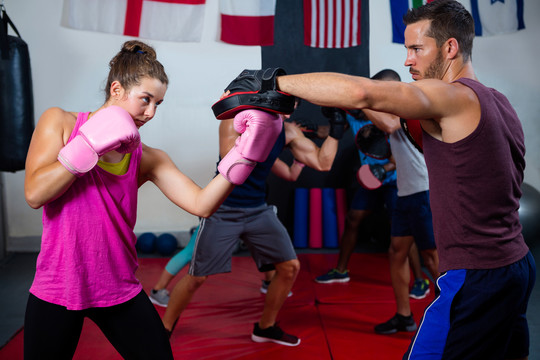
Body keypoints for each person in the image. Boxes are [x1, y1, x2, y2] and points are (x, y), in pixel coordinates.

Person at [228, 1, 536, 358]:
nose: (408, 60)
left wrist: (271, 82)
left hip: (476, 276)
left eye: (417, 49)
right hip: (517, 264)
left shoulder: (452, 95)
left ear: (450, 48)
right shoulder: (498, 101)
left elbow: (364, 92)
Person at [22, 40, 282, 360]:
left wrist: (245, 157)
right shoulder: (60, 123)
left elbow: (201, 203)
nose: (151, 113)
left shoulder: (148, 158)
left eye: (159, 103)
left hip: (117, 287)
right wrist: (88, 144)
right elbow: (35, 194)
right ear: (116, 89)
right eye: (145, 100)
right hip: (57, 287)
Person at [161, 102, 345, 346]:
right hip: (223, 208)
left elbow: (323, 163)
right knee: (197, 277)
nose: (289, 113)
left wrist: (336, 129)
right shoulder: (235, 120)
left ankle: (265, 327)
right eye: (284, 105)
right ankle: (162, 329)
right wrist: (261, 129)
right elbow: (230, 157)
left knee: (289, 267)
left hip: (257, 210)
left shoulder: (288, 131)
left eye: (292, 107)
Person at [149, 109, 307, 307]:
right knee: (190, 254)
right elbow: (229, 157)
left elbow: (291, 174)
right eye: (282, 112)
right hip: (220, 208)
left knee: (262, 249)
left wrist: (300, 159)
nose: (285, 118)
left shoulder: (269, 154)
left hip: (252, 210)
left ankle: (268, 282)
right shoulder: (243, 142)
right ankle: (157, 290)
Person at [361, 69, 440, 335]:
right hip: (406, 193)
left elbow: (390, 125)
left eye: (382, 91)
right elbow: (399, 154)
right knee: (397, 253)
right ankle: (404, 317)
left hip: (424, 192)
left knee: (431, 257)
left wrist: (359, 100)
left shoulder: (408, 109)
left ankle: (456, 316)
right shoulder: (391, 114)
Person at [314, 109, 399, 284]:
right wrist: (306, 129)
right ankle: (340, 270)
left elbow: (402, 154)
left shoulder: (389, 118)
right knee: (353, 219)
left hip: (395, 179)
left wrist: (383, 169)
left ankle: (420, 279)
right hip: (369, 178)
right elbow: (331, 132)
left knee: (401, 230)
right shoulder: (353, 116)